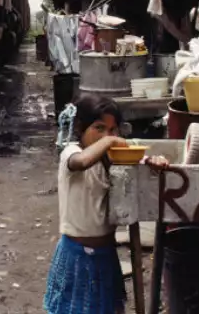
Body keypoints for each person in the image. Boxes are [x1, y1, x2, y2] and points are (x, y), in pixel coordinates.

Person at [45, 94, 170, 314]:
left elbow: (135, 160)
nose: (107, 135)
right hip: (77, 254)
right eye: (99, 128)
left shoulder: (109, 157)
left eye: (113, 130)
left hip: (105, 252)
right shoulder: (71, 153)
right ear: (80, 129)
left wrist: (150, 161)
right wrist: (111, 141)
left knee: (111, 309)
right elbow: (81, 162)